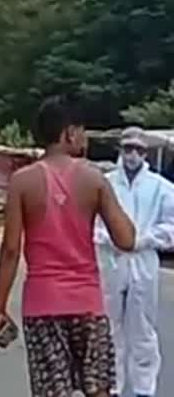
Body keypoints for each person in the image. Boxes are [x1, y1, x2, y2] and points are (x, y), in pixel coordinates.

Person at [0, 95, 136, 397]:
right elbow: (126, 239)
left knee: (52, 391)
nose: (84, 137)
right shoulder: (94, 179)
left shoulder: (22, 182)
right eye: (82, 130)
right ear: (69, 133)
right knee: (98, 389)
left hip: (42, 304)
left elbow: (10, 250)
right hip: (87, 304)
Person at [95, 126, 174, 397]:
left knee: (142, 327)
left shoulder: (161, 188)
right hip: (112, 260)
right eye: (128, 148)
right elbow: (91, 223)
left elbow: (171, 227)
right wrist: (110, 238)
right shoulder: (104, 183)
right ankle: (112, 386)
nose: (132, 154)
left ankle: (144, 388)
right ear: (120, 150)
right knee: (109, 325)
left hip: (143, 260)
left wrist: (143, 240)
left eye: (138, 149)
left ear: (145, 152)